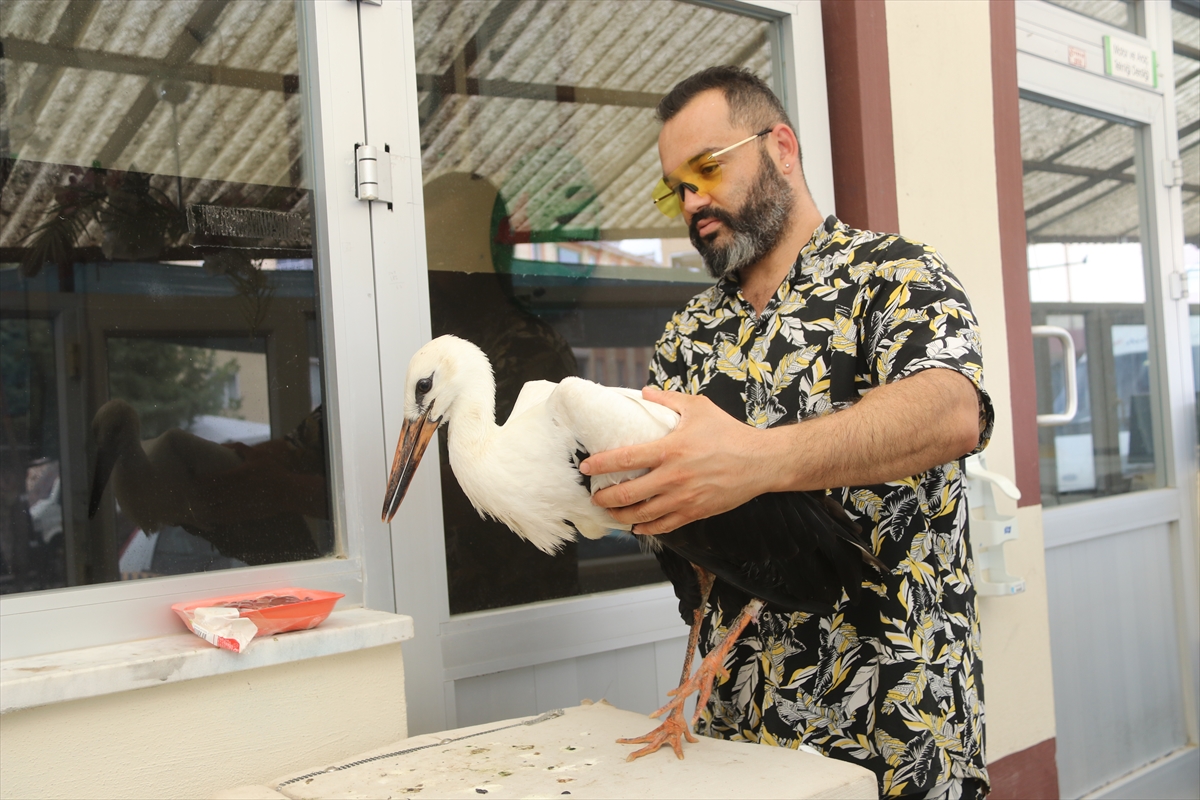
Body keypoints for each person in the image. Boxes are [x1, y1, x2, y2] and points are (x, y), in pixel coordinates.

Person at [580, 66, 994, 800]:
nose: (692, 201)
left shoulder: (894, 275)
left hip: (897, 720)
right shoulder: (687, 334)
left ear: (782, 148)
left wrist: (758, 460)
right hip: (740, 729)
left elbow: (951, 411)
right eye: (675, 189)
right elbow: (688, 526)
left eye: (707, 169)